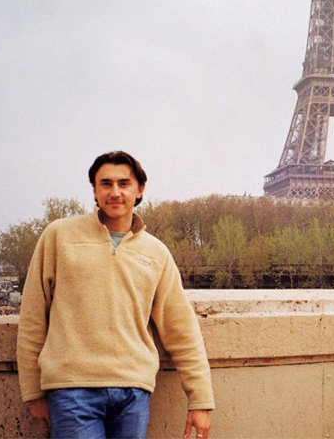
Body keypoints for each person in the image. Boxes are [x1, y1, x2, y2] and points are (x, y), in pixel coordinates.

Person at [17, 151, 214, 439]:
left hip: (134, 392)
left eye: (124, 183)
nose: (115, 192)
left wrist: (201, 400)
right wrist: (33, 391)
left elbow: (181, 329)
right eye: (106, 184)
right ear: (94, 191)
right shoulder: (58, 236)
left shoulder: (156, 253)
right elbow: (33, 317)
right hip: (73, 390)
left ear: (140, 190)